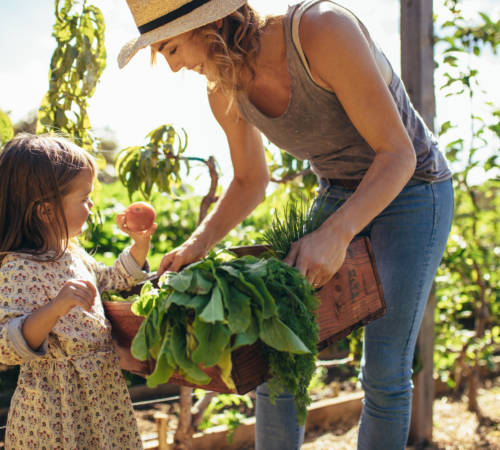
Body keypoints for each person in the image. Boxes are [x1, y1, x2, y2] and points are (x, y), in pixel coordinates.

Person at [118, 0, 454, 448]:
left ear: (212, 21)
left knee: (385, 368)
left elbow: (399, 155)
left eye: (173, 48)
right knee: (275, 354)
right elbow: (249, 180)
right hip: (337, 191)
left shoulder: (322, 31)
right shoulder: (223, 89)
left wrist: (336, 233)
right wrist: (197, 244)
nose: (176, 68)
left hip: (413, 189)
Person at [0, 133, 157, 449]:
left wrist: (140, 245)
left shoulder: (72, 255)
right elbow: (7, 347)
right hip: (56, 408)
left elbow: (112, 280)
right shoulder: (19, 267)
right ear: (46, 210)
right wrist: (55, 307)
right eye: (84, 198)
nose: (91, 205)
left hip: (101, 396)